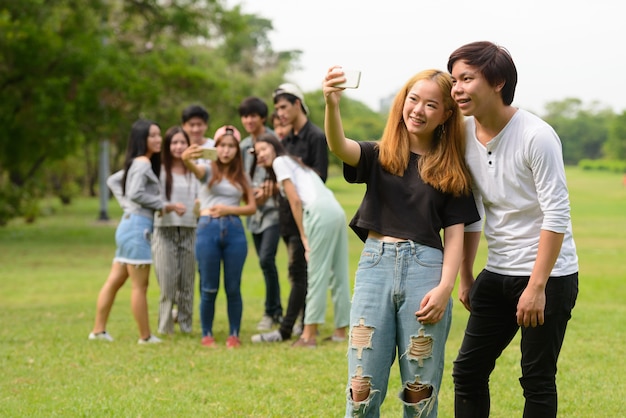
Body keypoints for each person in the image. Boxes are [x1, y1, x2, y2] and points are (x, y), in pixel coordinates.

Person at [323, 67, 480, 416]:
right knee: (361, 388)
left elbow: (456, 236)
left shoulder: (451, 169)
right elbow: (338, 146)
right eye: (413, 99)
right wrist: (332, 105)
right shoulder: (379, 155)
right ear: (402, 102)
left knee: (419, 390)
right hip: (375, 268)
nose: (418, 110)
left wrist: (445, 288)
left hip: (425, 273)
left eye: (431, 104)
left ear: (445, 114)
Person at [447, 41, 579, 418]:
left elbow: (557, 215)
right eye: (454, 79)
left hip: (548, 276)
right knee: (468, 371)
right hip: (498, 272)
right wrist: (467, 277)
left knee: (537, 379)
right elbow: (471, 212)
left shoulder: (536, 136)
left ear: (498, 82)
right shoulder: (461, 134)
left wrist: (537, 287)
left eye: (467, 78)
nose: (457, 88)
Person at [252, 133, 350, 348]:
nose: (260, 155)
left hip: (318, 212)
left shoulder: (280, 161)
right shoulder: (296, 163)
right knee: (339, 272)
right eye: (256, 152)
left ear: (275, 146)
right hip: (335, 210)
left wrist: (304, 238)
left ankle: (309, 336)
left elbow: (295, 201)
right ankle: (341, 331)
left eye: (263, 149)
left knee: (315, 273)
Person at [251, 83, 329, 343]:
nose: (280, 113)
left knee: (300, 273)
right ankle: (303, 324)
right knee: (298, 272)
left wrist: (291, 171)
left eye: (284, 107)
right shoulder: (287, 139)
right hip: (286, 216)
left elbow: (320, 178)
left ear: (297, 104)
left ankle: (288, 328)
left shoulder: (315, 136)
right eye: (277, 109)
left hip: (305, 217)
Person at [89, 119, 166, 344]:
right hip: (137, 228)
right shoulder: (143, 163)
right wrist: (161, 204)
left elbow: (113, 181)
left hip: (128, 224)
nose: (158, 139)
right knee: (140, 285)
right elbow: (134, 193)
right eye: (152, 135)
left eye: (159, 135)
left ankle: (98, 331)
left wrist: (127, 206)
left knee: (114, 281)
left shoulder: (136, 163)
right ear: (141, 139)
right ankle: (145, 336)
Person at [182, 125, 256, 349]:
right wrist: (186, 157)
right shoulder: (206, 171)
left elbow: (251, 207)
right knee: (209, 287)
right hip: (207, 229)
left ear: (236, 149)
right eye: (222, 145)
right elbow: (189, 165)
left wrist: (228, 210)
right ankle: (207, 334)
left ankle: (234, 334)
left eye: (231, 146)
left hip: (234, 231)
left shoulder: (242, 176)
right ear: (215, 148)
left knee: (233, 287)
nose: (226, 150)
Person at [238, 97, 283, 330]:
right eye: (244, 116)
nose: (248, 120)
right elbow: (239, 176)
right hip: (253, 212)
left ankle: (271, 311)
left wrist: (271, 189)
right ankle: (276, 311)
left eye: (252, 115)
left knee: (267, 258)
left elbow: (287, 173)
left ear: (262, 117)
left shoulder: (274, 140)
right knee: (265, 263)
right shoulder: (243, 146)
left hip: (274, 211)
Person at [152, 126, 198, 335]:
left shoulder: (195, 171)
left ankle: (186, 326)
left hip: (190, 229)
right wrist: (169, 206)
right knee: (167, 283)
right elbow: (152, 199)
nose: (179, 147)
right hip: (164, 231)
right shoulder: (159, 170)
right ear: (167, 146)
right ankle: (165, 327)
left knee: (187, 282)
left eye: (183, 142)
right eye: (174, 143)